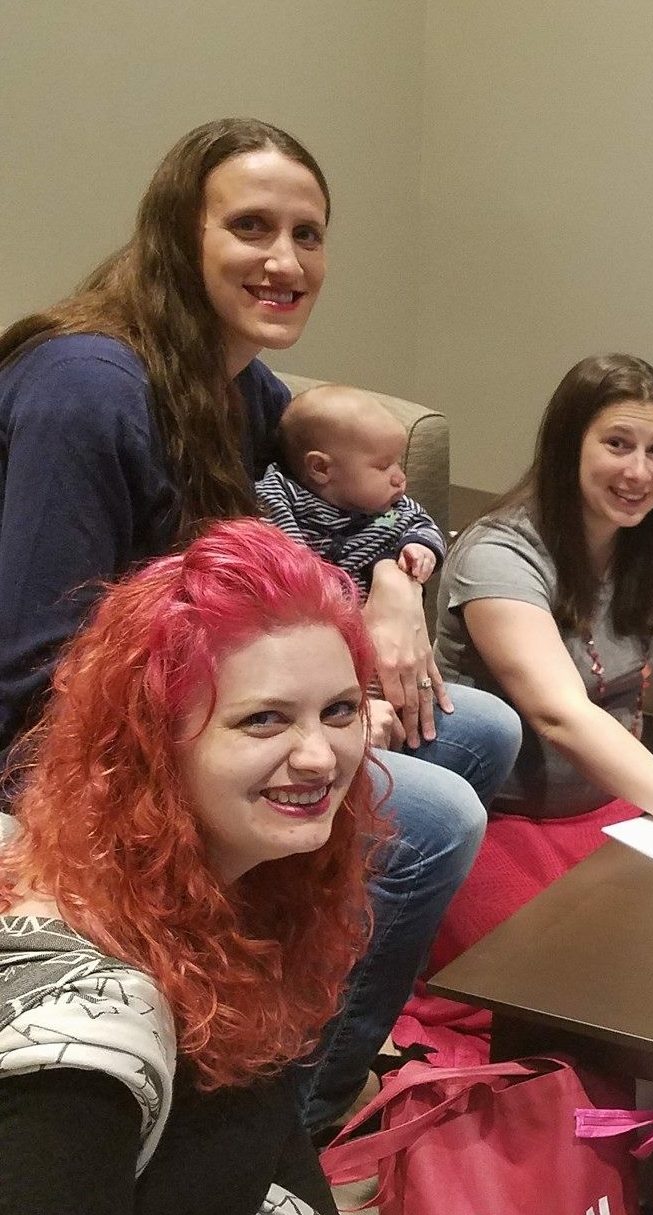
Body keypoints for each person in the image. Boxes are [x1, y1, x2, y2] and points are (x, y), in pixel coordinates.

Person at [0, 117, 520, 1136]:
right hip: (70, 747)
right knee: (435, 818)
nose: (285, 261)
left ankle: (305, 1016)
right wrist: (273, 736)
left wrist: (395, 584)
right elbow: (31, 679)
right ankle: (287, 1107)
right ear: (177, 235)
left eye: (308, 233)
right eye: (251, 227)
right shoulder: (88, 390)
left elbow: (359, 514)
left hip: (217, 711)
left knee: (482, 731)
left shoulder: (243, 390)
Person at [0, 520, 532, 1215]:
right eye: (263, 720)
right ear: (150, 743)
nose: (320, 755)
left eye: (340, 710)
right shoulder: (78, 1047)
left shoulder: (247, 887)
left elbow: (283, 1169)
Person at [428, 354, 653, 979]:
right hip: (502, 820)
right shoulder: (496, 552)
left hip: (618, 805)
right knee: (569, 981)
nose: (638, 471)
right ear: (570, 447)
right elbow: (560, 713)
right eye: (617, 445)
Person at [257, 383, 446, 594]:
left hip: (369, 612)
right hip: (305, 604)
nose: (399, 478)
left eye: (398, 464)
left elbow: (425, 527)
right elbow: (278, 551)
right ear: (321, 468)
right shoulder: (281, 497)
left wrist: (420, 547)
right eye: (383, 466)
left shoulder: (395, 510)